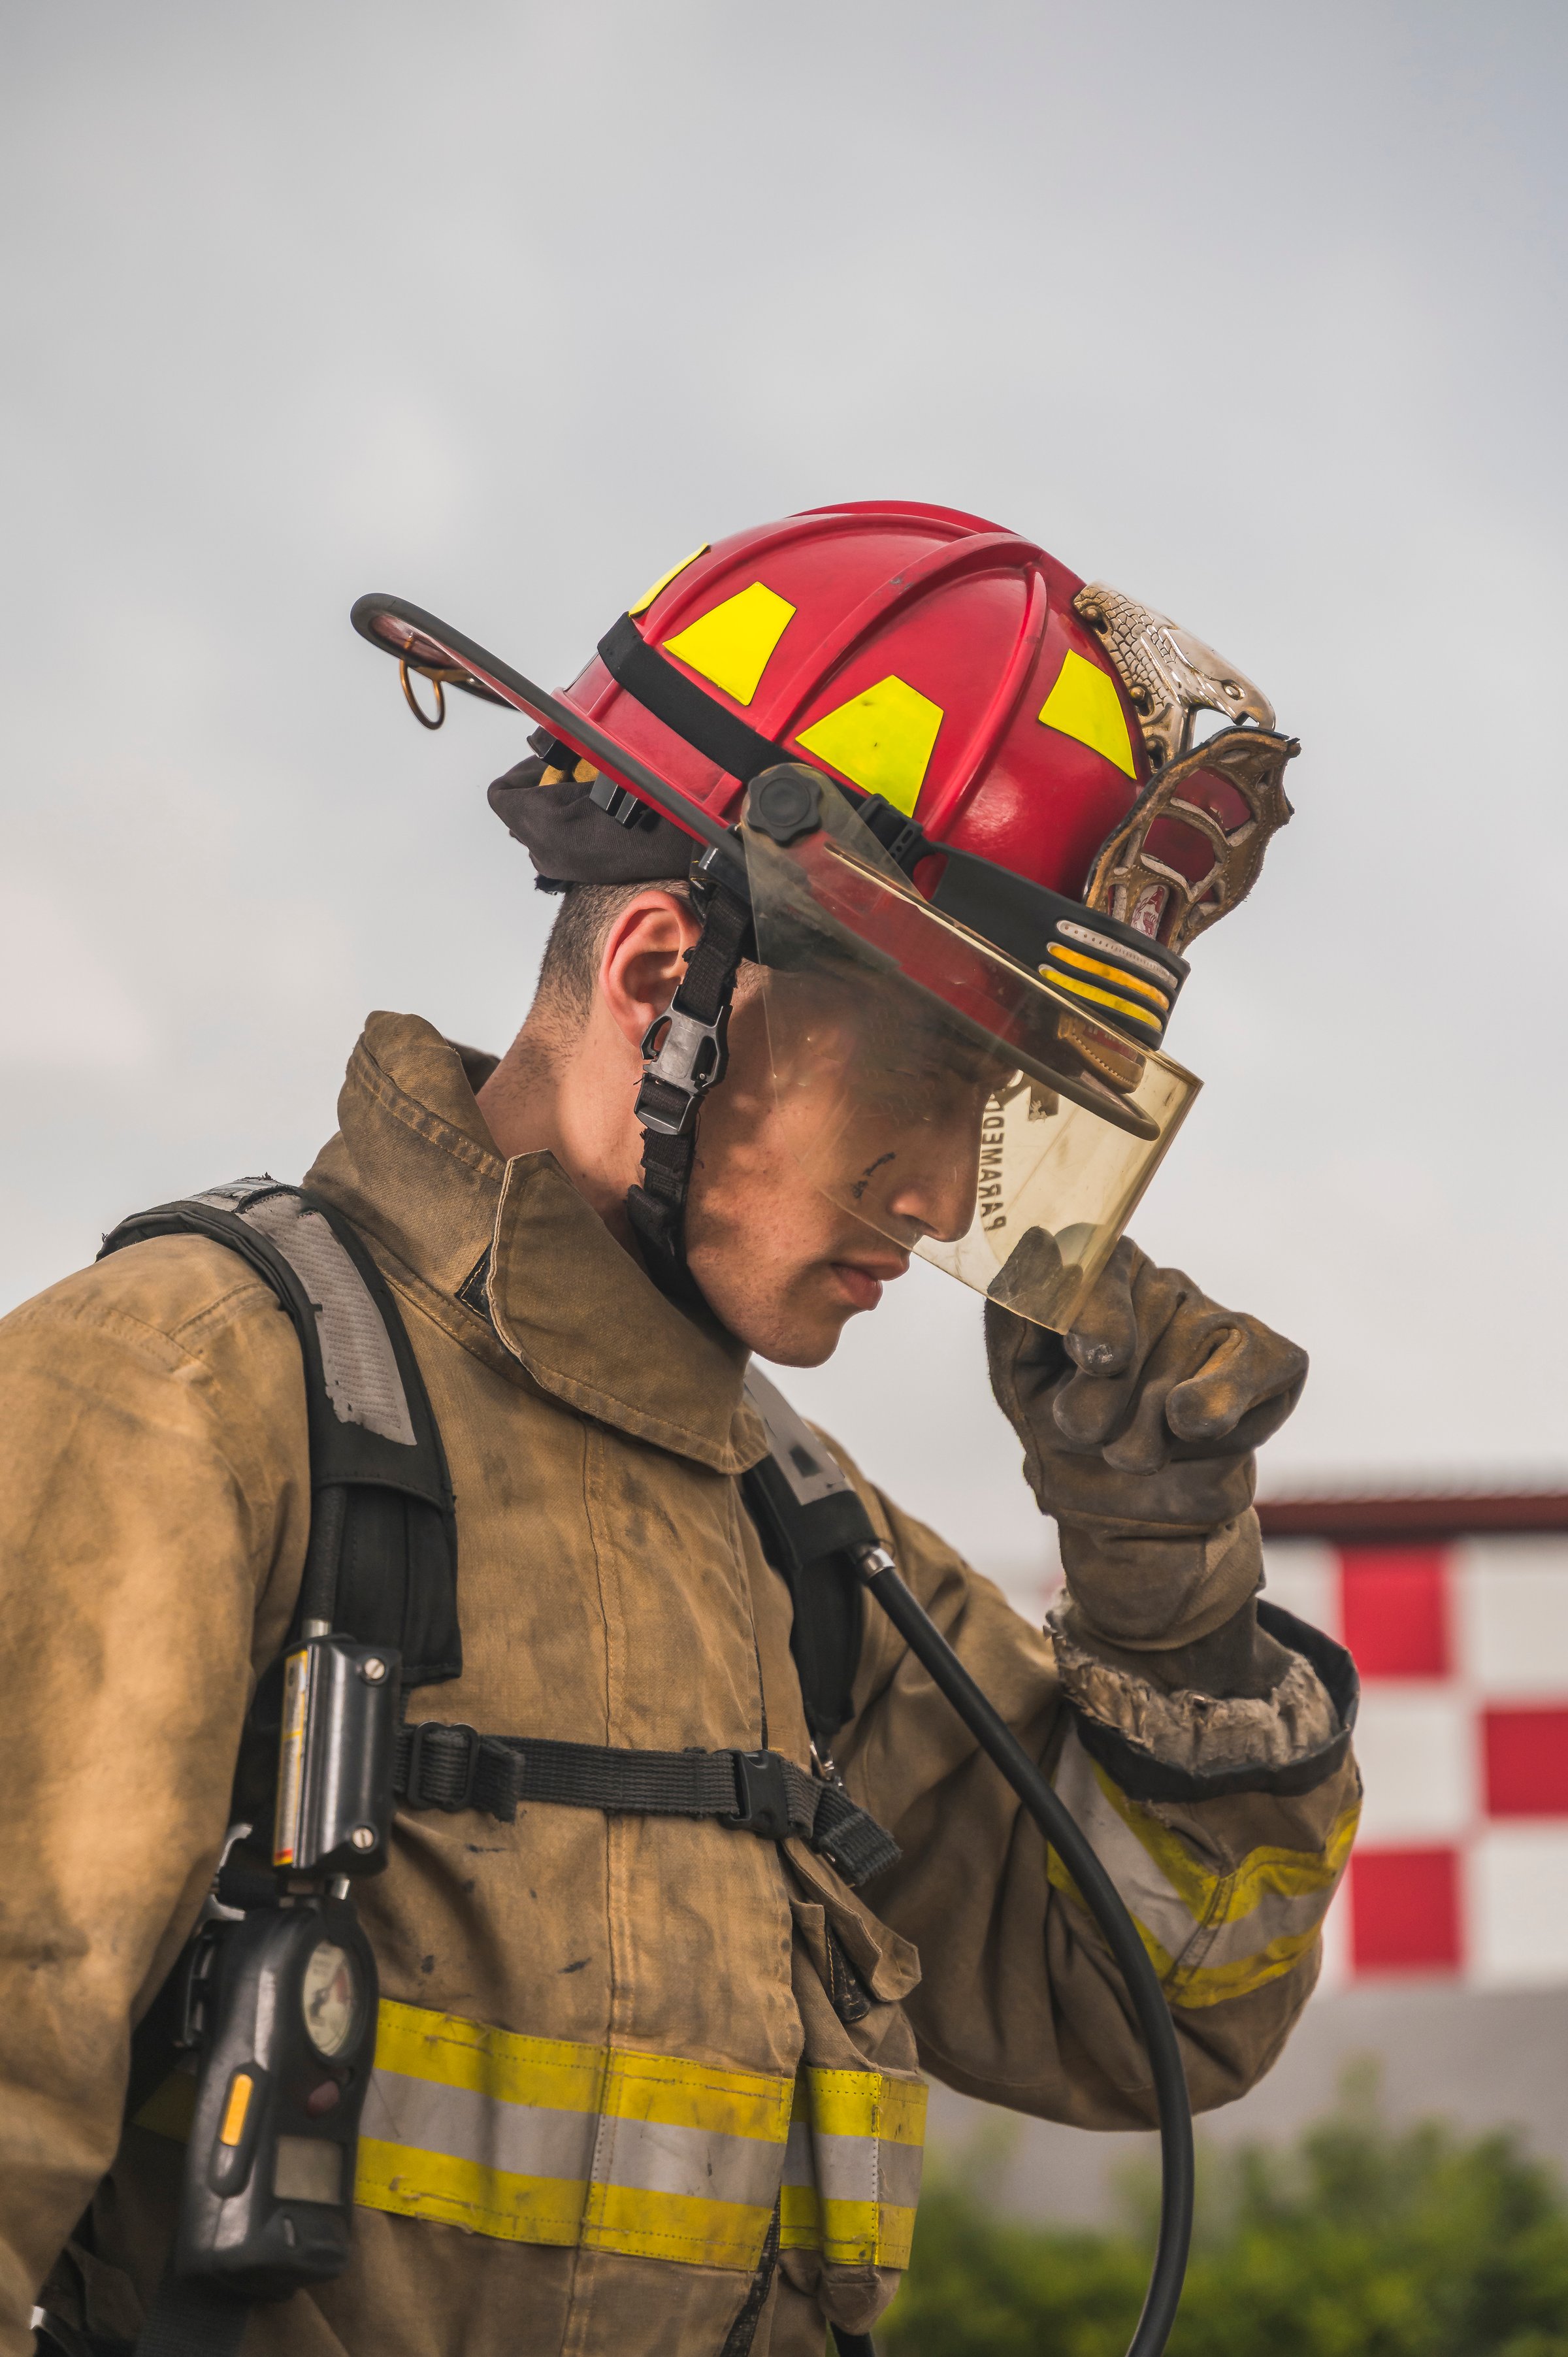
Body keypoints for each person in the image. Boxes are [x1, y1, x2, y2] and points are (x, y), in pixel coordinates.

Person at [1, 503, 1359, 2357]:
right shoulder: (178, 1393)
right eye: (935, 1079)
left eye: (1007, 1119)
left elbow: (1143, 2011)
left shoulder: (793, 1532)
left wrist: (1169, 1590)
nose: (956, 1200)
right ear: (662, 982)